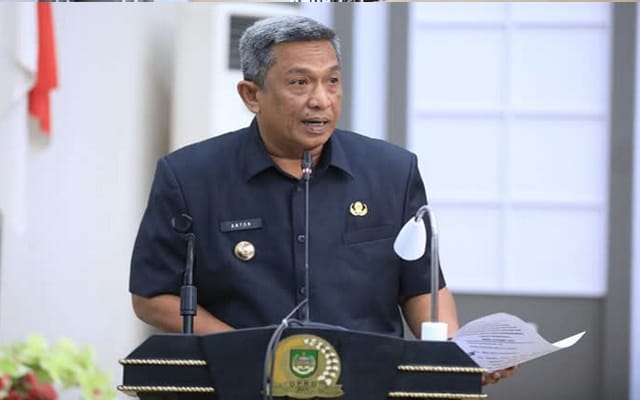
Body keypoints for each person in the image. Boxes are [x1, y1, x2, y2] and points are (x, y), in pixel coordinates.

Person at [129, 14, 513, 384]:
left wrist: (454, 353)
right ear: (252, 95)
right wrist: (248, 352)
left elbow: (421, 287)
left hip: (369, 382)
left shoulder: (392, 171)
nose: (321, 100)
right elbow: (152, 295)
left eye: (332, 81)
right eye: (300, 83)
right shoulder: (189, 176)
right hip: (242, 383)